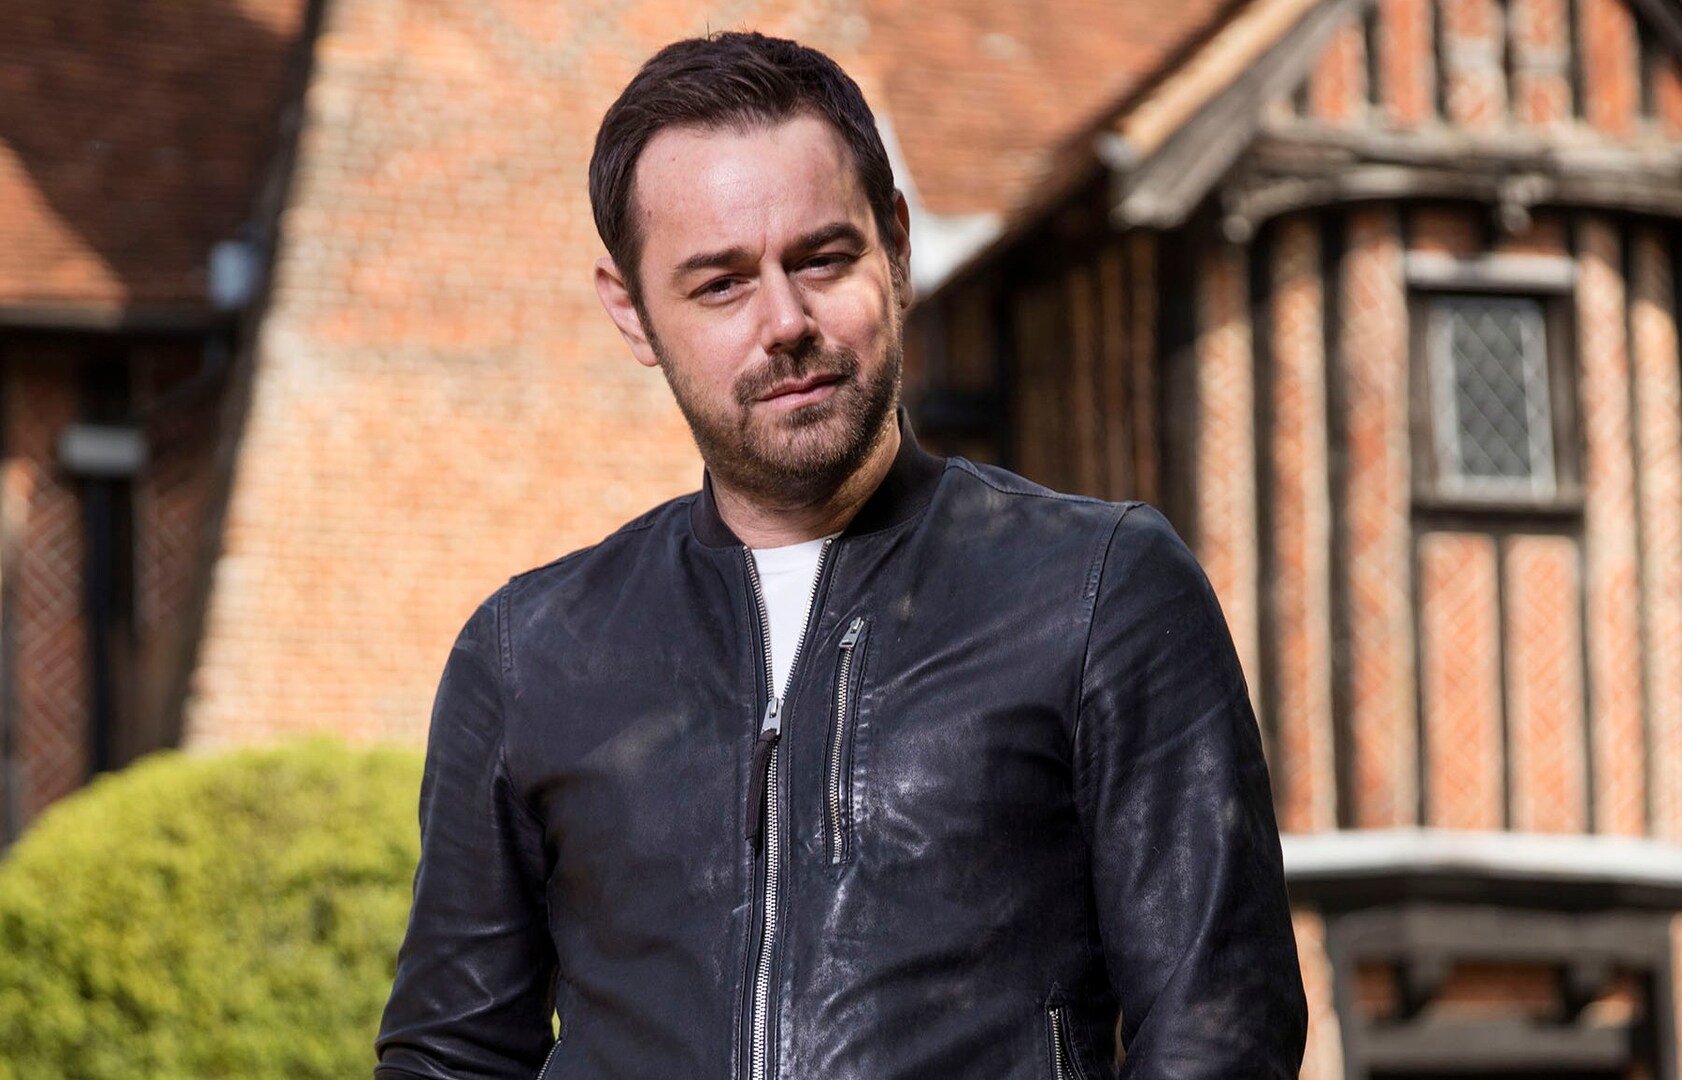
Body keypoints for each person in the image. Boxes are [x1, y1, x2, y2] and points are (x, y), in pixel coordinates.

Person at [376, 31, 1307, 1080]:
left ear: (896, 248)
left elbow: (1220, 1031)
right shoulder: (529, 654)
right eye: (720, 284)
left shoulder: (1097, 592)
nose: (785, 321)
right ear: (632, 312)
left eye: (821, 259)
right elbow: (449, 1058)